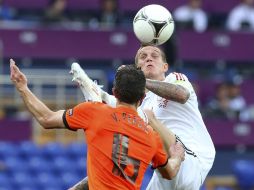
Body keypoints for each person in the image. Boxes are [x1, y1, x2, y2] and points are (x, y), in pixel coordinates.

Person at [10, 60, 185, 190]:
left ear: (115, 92)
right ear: (142, 99)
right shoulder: (151, 135)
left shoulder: (94, 112)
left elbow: (46, 119)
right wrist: (177, 156)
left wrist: (22, 88)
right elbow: (169, 172)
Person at [71, 45, 216, 190]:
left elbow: (182, 95)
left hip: (191, 157)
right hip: (166, 170)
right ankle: (101, 96)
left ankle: (102, 97)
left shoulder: (175, 79)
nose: (149, 58)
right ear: (137, 68)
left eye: (155, 55)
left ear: (165, 66)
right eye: (143, 56)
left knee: (146, 117)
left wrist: (137, 80)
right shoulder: (136, 104)